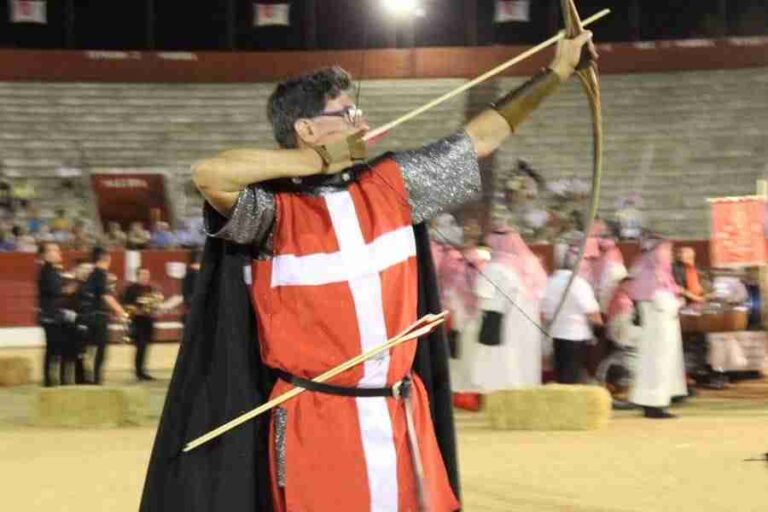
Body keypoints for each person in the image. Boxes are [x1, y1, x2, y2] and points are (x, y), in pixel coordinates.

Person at [142, 31, 595, 512]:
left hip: (400, 413)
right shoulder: (273, 214)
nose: (361, 124)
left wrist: (558, 73)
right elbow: (208, 174)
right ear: (307, 129)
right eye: (346, 114)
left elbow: (483, 136)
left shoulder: (392, 183)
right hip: (316, 421)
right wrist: (310, 162)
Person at [471, 228, 546, 391]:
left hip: (498, 317)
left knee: (496, 355)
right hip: (525, 319)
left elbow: (482, 293)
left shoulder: (493, 268)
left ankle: (497, 389)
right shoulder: (528, 264)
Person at [628, 236, 688, 419]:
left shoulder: (650, 274)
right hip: (661, 330)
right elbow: (662, 303)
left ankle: (654, 402)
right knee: (659, 362)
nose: (669, 255)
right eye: (667, 251)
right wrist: (678, 303)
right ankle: (655, 404)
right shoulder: (654, 277)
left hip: (660, 328)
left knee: (654, 362)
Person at [542, 247, 603, 384]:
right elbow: (592, 313)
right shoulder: (579, 284)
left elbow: (543, 311)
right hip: (576, 336)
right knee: (572, 376)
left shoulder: (549, 282)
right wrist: (600, 331)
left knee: (560, 373)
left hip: (555, 334)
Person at [78, 247, 129, 384]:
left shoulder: (92, 275)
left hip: (88, 316)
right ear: (105, 258)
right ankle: (96, 379)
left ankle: (88, 377)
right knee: (100, 348)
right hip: (98, 317)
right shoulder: (101, 274)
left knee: (90, 348)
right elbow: (106, 296)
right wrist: (121, 312)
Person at [122, 268, 161, 381]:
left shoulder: (150, 288)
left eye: (147, 274)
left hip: (148, 322)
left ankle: (142, 370)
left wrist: (154, 309)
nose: (146, 276)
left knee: (145, 347)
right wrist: (137, 311)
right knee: (140, 346)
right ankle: (139, 372)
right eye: (143, 274)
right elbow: (126, 305)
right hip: (137, 321)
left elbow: (155, 304)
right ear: (137, 276)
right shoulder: (131, 289)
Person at [37, 242, 66, 386]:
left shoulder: (50, 271)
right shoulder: (47, 271)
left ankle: (51, 378)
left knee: (54, 348)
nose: (59, 253)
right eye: (55, 250)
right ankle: (49, 380)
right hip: (51, 316)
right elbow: (56, 291)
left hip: (52, 315)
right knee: (53, 348)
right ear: (46, 255)